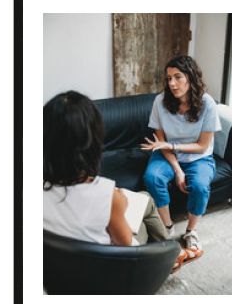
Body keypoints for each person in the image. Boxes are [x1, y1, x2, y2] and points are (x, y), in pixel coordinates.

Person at [43, 90, 172, 250]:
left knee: (145, 198)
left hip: (61, 264)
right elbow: (125, 246)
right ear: (92, 141)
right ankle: (169, 254)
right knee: (144, 222)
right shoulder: (108, 196)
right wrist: (121, 207)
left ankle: (171, 253)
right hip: (104, 267)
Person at [142, 55, 221, 268]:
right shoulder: (160, 101)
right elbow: (161, 142)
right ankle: (167, 229)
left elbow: (203, 146)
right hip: (167, 154)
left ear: (191, 77)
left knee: (200, 186)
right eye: (169, 78)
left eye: (178, 77)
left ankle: (190, 232)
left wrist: (174, 149)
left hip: (198, 157)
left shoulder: (207, 104)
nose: (172, 83)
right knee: (153, 177)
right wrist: (177, 170)